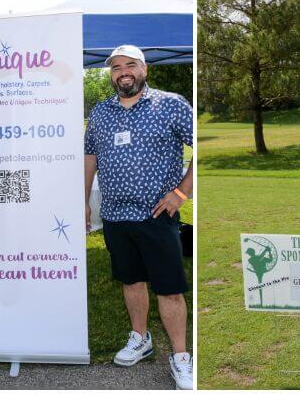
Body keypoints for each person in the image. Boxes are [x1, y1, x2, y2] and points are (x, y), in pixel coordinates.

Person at [83, 45, 193, 390]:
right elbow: (90, 158)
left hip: (157, 215)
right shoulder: (100, 113)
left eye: (130, 65)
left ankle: (179, 356)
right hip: (115, 215)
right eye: (116, 67)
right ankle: (141, 339)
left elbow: (200, 150)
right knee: (131, 281)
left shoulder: (171, 105)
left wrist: (182, 192)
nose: (122, 71)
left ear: (145, 69)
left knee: (170, 288)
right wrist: (83, 201)